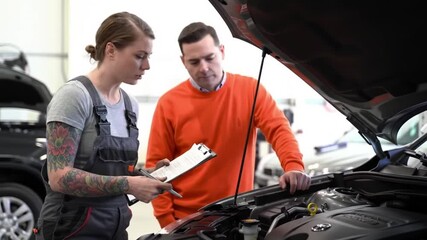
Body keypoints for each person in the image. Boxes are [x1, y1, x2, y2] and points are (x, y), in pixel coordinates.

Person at [145, 22, 311, 228]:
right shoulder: (168, 103)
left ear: (221, 51)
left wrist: (293, 166)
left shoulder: (250, 89)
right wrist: (168, 223)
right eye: (194, 62)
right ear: (183, 62)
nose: (204, 68)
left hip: (238, 214)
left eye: (209, 58)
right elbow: (156, 169)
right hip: (187, 222)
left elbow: (278, 129)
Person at [34, 12, 172, 240]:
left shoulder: (130, 106)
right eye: (139, 56)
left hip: (115, 226)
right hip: (70, 227)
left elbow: (112, 171)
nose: (146, 65)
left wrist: (144, 176)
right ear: (111, 50)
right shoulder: (74, 97)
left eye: (148, 56)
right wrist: (129, 183)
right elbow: (59, 177)